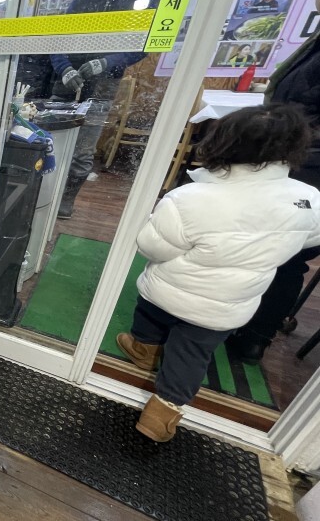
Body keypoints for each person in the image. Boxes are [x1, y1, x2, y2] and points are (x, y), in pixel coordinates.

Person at [116, 104, 320, 442]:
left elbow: (153, 247)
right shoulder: (308, 198)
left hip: (168, 290)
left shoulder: (190, 197)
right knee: (192, 355)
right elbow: (309, 239)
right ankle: (160, 415)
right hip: (226, 307)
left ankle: (143, 349)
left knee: (150, 314)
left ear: (221, 143)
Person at [225, 0, 320, 364]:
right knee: (274, 250)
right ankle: (242, 325)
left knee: (288, 256)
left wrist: (285, 137)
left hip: (306, 164)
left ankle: (254, 336)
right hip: (292, 154)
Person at [49, 0, 152, 219]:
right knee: (50, 143)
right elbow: (58, 38)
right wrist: (64, 67)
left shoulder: (137, 0)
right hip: (67, 80)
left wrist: (108, 62)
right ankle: (44, 194)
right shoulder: (82, 0)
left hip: (103, 85)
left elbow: (145, 43)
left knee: (84, 151)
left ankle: (66, 199)